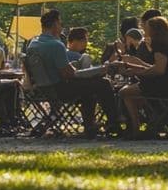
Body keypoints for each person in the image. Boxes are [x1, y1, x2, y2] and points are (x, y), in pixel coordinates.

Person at [25, 9, 120, 138]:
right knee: (103, 83)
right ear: (55, 25)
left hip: (42, 88)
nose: (61, 26)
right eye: (60, 23)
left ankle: (90, 126)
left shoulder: (33, 44)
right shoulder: (55, 45)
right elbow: (69, 74)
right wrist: (98, 70)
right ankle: (114, 123)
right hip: (59, 89)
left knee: (90, 88)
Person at [116, 16, 168, 137]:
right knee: (133, 94)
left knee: (124, 92)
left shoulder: (159, 45)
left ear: (154, 30)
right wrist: (138, 64)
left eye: (146, 28)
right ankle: (150, 122)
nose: (144, 30)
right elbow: (159, 66)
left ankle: (135, 127)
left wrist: (137, 72)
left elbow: (159, 70)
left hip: (160, 86)